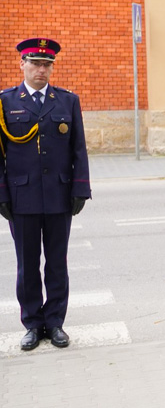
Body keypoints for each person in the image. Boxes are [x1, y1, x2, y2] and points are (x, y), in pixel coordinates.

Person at [0, 38, 90, 352]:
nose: (41, 70)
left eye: (47, 64)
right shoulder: (5, 101)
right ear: (21, 64)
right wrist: (1, 194)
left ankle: (55, 323)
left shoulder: (66, 101)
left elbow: (79, 148)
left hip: (58, 196)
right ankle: (32, 325)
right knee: (26, 265)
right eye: (35, 63)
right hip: (21, 197)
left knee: (56, 263)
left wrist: (80, 187)